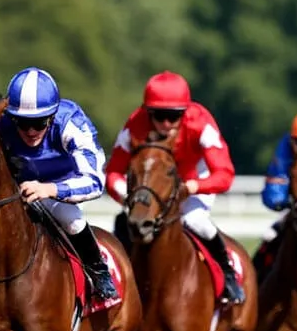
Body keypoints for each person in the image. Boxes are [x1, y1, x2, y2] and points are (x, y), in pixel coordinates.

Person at [0, 67, 117, 301]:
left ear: (52, 115)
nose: (30, 130)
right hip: (16, 184)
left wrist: (50, 189)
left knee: (73, 221)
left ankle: (98, 270)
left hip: (59, 188)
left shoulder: (71, 123)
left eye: (39, 123)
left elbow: (95, 181)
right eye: (23, 122)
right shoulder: (2, 121)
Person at [104, 70, 245, 304]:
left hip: (192, 180)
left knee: (195, 221)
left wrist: (193, 187)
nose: (166, 123)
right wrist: (130, 197)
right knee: (126, 223)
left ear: (185, 112)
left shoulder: (200, 123)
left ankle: (227, 276)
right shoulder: (135, 124)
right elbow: (113, 174)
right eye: (159, 116)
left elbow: (224, 174)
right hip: (152, 188)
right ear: (148, 112)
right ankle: (115, 283)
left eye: (174, 116)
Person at [253, 108, 297, 279]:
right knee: (270, 238)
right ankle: (254, 283)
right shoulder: (286, 149)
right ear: (293, 143)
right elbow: (272, 194)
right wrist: (293, 203)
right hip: (296, 208)